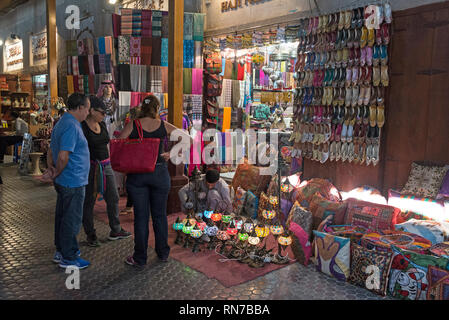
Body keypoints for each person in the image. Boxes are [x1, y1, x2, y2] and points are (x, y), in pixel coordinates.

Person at [118, 95, 186, 267]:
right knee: (159, 216)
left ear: (142, 108)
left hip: (138, 175)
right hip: (159, 173)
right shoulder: (162, 125)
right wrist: (171, 153)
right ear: (157, 108)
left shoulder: (134, 124)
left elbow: (118, 143)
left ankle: (140, 258)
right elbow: (187, 139)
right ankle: (162, 253)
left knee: (141, 218)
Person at [47, 92, 91, 270]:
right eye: (87, 109)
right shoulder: (72, 126)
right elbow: (63, 156)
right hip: (72, 180)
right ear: (80, 108)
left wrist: (52, 170)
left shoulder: (62, 121)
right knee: (71, 220)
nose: (88, 113)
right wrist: (56, 171)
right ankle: (69, 256)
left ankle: (61, 251)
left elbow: (51, 150)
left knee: (63, 216)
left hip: (66, 179)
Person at [81, 96, 131, 247]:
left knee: (113, 197)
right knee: (89, 201)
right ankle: (90, 234)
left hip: (106, 165)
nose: (104, 115)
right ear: (91, 111)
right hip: (90, 167)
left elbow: (107, 144)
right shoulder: (82, 127)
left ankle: (115, 229)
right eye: (102, 112)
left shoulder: (102, 125)